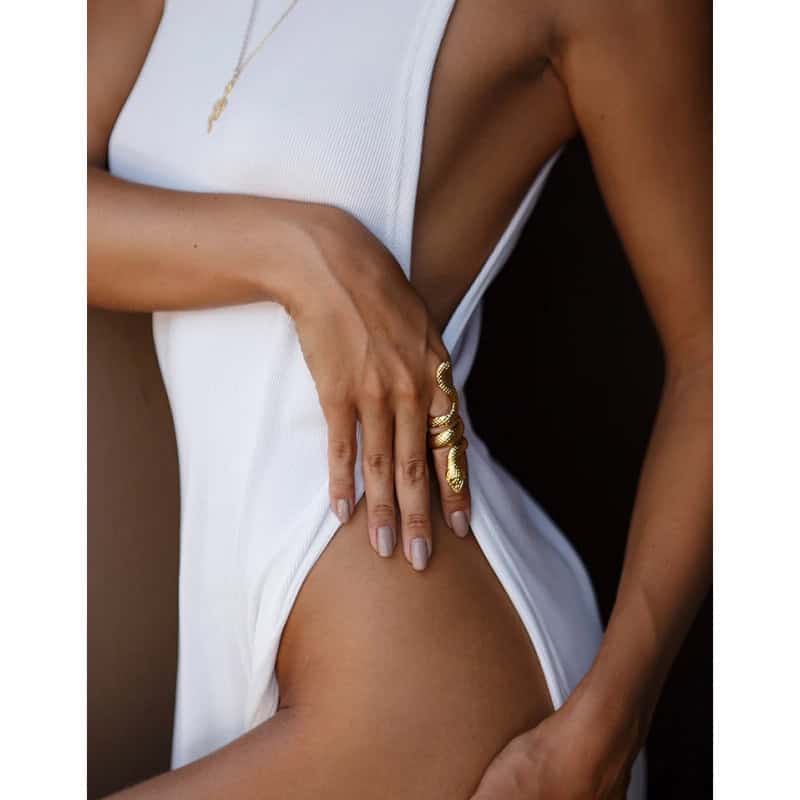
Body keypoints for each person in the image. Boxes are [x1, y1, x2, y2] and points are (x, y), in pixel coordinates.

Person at [88, 0, 711, 797]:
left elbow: (720, 351)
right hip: (237, 641)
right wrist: (306, 256)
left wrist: (610, 723)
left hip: (418, 667)